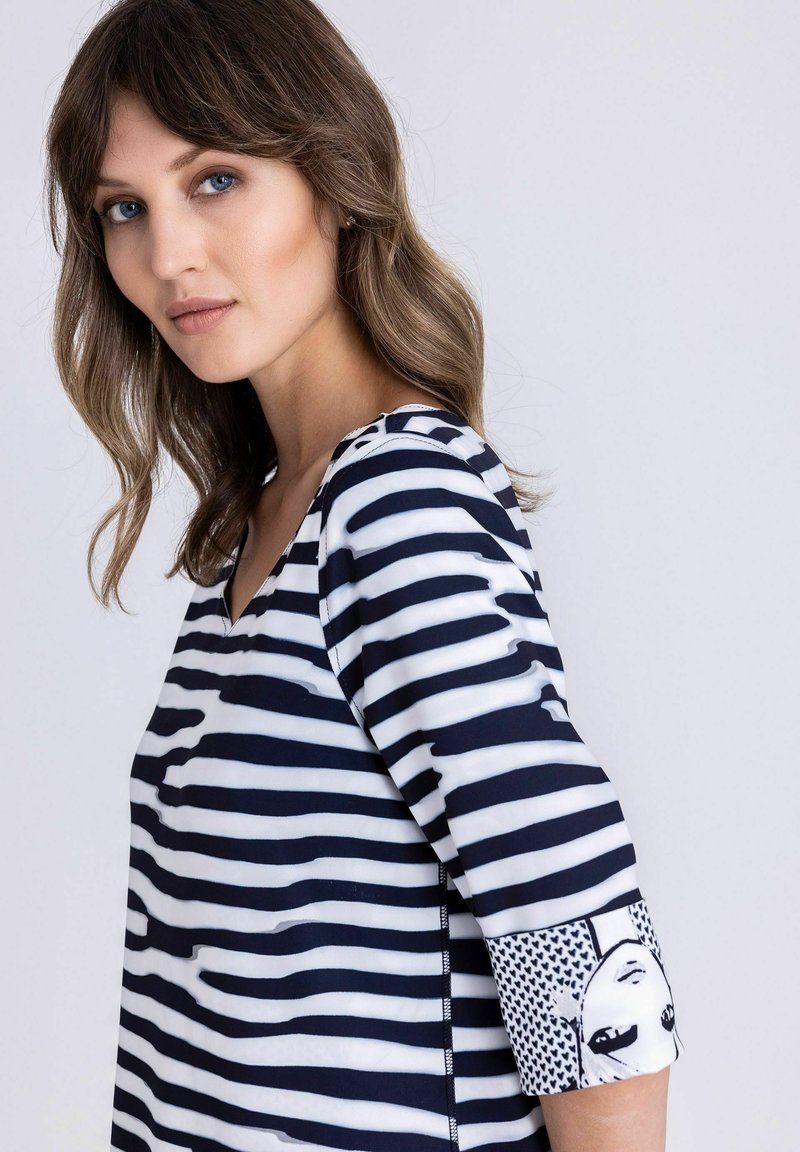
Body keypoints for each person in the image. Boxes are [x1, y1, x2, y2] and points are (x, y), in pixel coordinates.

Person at [43, 1, 683, 1148]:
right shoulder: (256, 527)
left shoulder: (397, 500)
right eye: (123, 208)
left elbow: (569, 927)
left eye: (215, 181)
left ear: (334, 181)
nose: (166, 254)